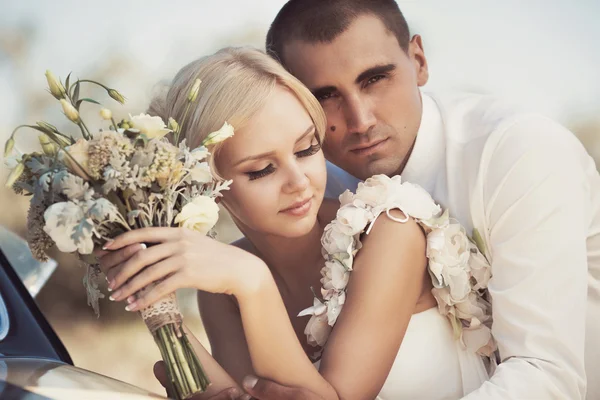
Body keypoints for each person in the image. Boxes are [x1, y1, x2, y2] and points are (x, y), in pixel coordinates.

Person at [245, 0, 599, 399]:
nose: (360, 120)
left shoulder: (519, 152)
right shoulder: (315, 190)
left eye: (374, 79)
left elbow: (547, 377)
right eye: (326, 96)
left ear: (419, 61)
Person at [96, 46, 492, 399]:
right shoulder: (221, 291)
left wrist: (254, 283)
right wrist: (154, 302)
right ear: (206, 188)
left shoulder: (389, 230)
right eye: (263, 169)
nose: (299, 182)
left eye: (306, 149)